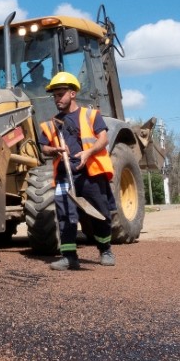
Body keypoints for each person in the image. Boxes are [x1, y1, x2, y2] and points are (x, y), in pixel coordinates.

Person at [37, 72, 116, 270]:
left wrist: (88, 152)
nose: (57, 99)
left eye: (61, 94)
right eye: (54, 96)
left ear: (72, 94)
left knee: (101, 213)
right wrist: (53, 150)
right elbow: (43, 147)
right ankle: (69, 256)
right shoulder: (52, 123)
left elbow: (103, 139)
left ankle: (105, 249)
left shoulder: (90, 115)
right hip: (65, 175)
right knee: (65, 215)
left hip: (91, 173)